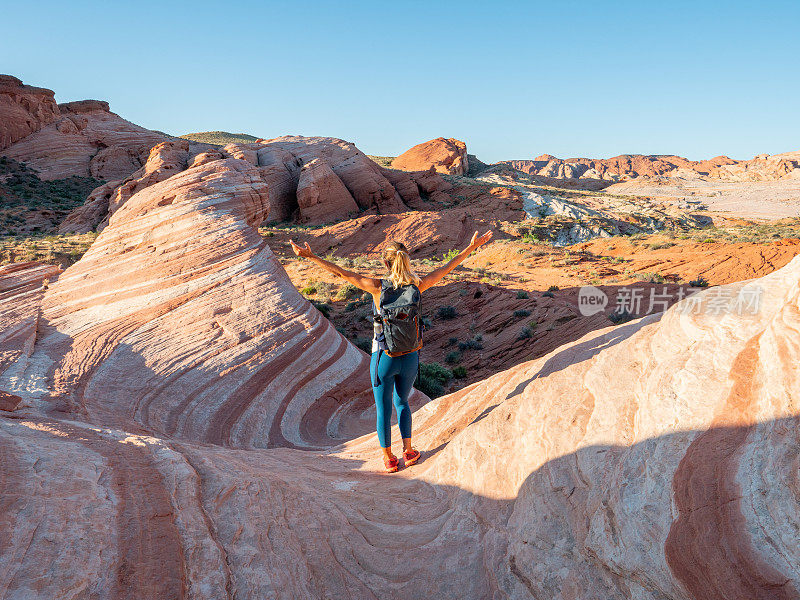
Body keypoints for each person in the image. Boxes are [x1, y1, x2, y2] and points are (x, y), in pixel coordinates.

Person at [290, 231, 493, 472]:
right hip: (410, 357)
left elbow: (342, 273)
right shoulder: (416, 285)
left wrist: (310, 256)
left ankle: (389, 459)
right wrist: (471, 247)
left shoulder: (377, 287)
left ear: (386, 263)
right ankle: (409, 451)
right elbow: (446, 268)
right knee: (403, 403)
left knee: (383, 409)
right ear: (406, 261)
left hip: (384, 358)